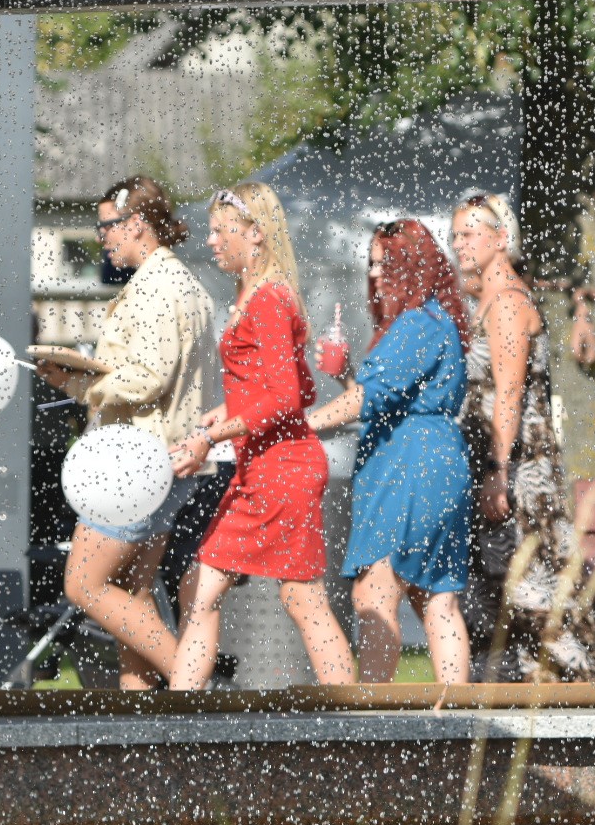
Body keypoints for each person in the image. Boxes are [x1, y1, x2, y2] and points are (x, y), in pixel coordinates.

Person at [168, 182, 356, 689]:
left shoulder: (269, 298)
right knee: (205, 589)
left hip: (284, 469)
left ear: (254, 233)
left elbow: (286, 398)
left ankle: (356, 716)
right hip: (265, 468)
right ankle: (179, 716)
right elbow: (272, 390)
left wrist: (213, 438)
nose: (211, 241)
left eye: (220, 231)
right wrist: (212, 422)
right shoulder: (253, 295)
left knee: (299, 597)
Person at [35, 177, 217, 690]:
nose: (102, 237)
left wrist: (84, 380)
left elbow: (148, 377)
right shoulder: (184, 283)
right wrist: (74, 381)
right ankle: (140, 716)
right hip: (164, 459)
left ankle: (191, 686)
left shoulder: (157, 288)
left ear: (137, 223)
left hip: (136, 463)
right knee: (132, 592)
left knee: (85, 585)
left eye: (107, 226)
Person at [306, 220, 473, 684]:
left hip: (409, 464)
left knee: (374, 595)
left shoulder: (415, 323)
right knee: (435, 598)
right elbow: (383, 397)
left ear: (413, 268)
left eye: (387, 265)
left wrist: (302, 426)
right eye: (373, 264)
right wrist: (346, 374)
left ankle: (371, 715)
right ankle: (454, 716)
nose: (375, 275)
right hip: (439, 460)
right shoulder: (436, 320)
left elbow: (368, 399)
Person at [450, 193, 595, 683]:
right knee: (500, 592)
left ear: (501, 239)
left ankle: (587, 689)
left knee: (533, 589)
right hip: (500, 463)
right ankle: (518, 695)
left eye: (470, 233)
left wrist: (497, 472)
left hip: (520, 471)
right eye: (455, 235)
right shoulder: (486, 301)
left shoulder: (507, 304)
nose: (459, 244)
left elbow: (510, 395)